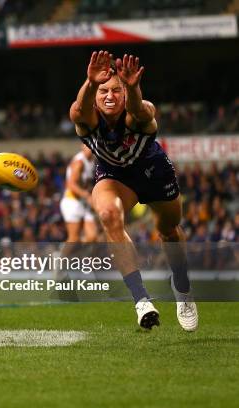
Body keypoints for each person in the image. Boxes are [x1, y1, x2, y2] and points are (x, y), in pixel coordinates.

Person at [69, 50, 197, 331]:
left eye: (116, 90)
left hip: (154, 173)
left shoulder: (139, 112)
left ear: (125, 94)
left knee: (169, 231)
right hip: (114, 176)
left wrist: (133, 88)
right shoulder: (86, 117)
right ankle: (141, 300)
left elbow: (141, 111)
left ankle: (182, 286)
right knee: (107, 213)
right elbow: (79, 109)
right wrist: (90, 83)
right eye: (103, 90)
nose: (109, 96)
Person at [60, 144, 97, 244]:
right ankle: (59, 258)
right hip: (72, 201)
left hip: (83, 202)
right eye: (87, 145)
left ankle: (77, 255)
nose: (90, 148)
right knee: (74, 238)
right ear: (82, 146)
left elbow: (87, 183)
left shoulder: (92, 160)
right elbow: (71, 184)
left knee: (92, 237)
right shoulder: (79, 162)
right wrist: (87, 196)